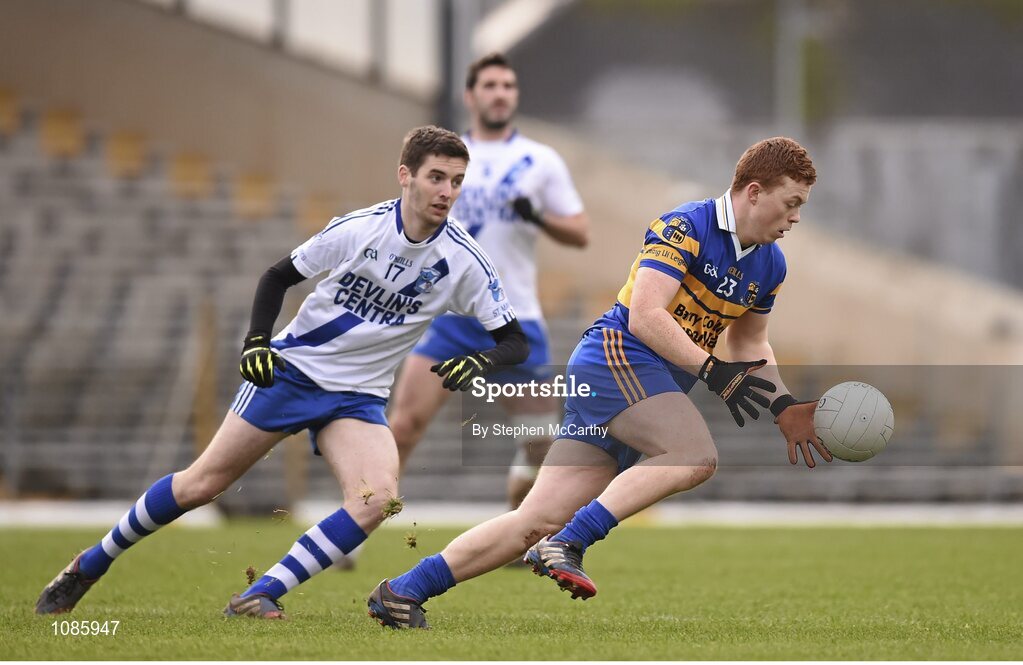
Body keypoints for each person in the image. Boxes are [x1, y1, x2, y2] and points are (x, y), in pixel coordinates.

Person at [34, 125, 530, 619]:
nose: (447, 192)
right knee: (202, 485)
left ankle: (261, 593)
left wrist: (480, 361)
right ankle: (89, 564)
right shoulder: (360, 228)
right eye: (437, 177)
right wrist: (256, 341)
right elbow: (277, 277)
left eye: (457, 181)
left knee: (378, 500)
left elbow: (514, 340)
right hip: (292, 372)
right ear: (405, 176)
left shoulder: (464, 260)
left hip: (357, 398)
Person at [366, 137, 833, 629]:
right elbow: (645, 316)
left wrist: (783, 405)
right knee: (695, 455)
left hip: (645, 386)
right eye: (792, 203)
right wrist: (712, 371)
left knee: (534, 520)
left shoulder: (770, 264)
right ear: (755, 192)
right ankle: (569, 542)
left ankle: (402, 591)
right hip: (616, 360)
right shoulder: (685, 226)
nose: (796, 218)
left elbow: (751, 341)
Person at [388, 53, 590, 512]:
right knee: (403, 426)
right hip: (452, 318)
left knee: (542, 448)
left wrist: (536, 217)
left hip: (517, 320)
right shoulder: (443, 158)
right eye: (491, 86)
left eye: (508, 86)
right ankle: (354, 530)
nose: (501, 94)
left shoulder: (539, 160)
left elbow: (580, 232)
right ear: (470, 95)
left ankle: (515, 529)